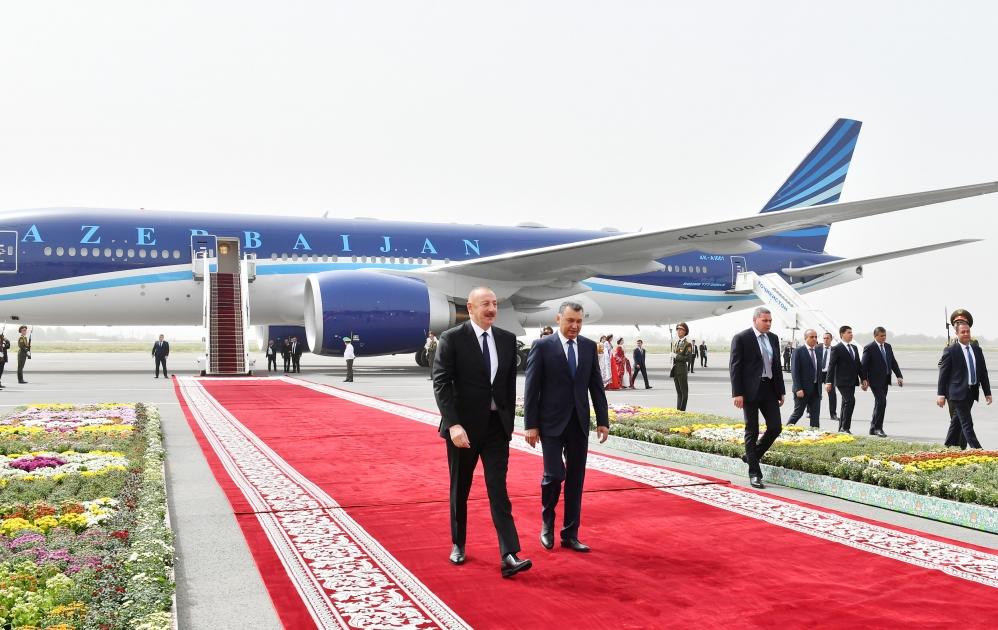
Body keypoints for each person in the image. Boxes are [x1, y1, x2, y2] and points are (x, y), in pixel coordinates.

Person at [432, 287, 531, 578]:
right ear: (470, 307)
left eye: (495, 303)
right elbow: (441, 383)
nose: (492, 309)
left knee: (498, 489)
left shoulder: (506, 339)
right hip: (462, 430)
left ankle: (509, 554)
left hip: (496, 429)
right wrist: (453, 424)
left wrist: (508, 424)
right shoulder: (452, 338)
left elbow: (508, 386)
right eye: (485, 303)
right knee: (460, 489)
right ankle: (458, 543)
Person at [523, 301, 609, 553]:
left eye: (579, 322)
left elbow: (596, 386)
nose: (575, 326)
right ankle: (547, 523)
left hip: (578, 423)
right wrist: (531, 425)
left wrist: (602, 420)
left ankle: (570, 533)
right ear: (558, 319)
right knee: (554, 475)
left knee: (575, 479)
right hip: (550, 423)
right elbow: (531, 388)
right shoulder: (542, 346)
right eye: (570, 320)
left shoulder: (588, 347)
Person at [729, 307, 785, 489]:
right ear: (755, 320)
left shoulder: (773, 338)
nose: (768, 324)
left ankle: (751, 456)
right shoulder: (741, 338)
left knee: (775, 427)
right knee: (752, 430)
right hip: (749, 391)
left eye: (770, 321)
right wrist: (737, 393)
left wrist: (780, 390)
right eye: (765, 321)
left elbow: (776, 366)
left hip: (769, 388)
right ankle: (754, 473)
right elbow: (735, 367)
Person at [937, 320, 992, 449]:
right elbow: (943, 374)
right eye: (963, 332)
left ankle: (946, 447)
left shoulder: (977, 350)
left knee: (956, 423)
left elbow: (983, 372)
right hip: (957, 392)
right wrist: (941, 394)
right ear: (957, 333)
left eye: (968, 331)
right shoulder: (950, 350)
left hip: (971, 392)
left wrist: (987, 392)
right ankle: (978, 451)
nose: (966, 334)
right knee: (967, 423)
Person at [941, 309, 977, 448]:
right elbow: (943, 365)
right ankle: (953, 446)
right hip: (952, 389)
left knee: (962, 419)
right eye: (956, 322)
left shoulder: (973, 343)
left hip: (966, 388)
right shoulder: (950, 343)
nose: (959, 323)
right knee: (955, 419)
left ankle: (959, 446)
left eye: (962, 321)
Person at [825, 325, 867, 434]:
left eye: (851, 332)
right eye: (849, 332)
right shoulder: (837, 348)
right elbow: (831, 366)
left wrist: (863, 378)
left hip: (852, 381)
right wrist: (828, 382)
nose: (851, 334)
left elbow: (858, 365)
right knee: (850, 401)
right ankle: (845, 428)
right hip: (842, 381)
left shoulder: (854, 348)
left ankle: (841, 428)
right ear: (842, 334)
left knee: (845, 403)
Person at [862, 326, 904, 437]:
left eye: (885, 335)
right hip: (874, 381)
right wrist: (863, 380)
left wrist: (899, 376)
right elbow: (864, 366)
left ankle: (872, 428)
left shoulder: (888, 346)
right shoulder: (869, 348)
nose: (884, 338)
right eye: (881, 336)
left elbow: (893, 362)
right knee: (882, 402)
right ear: (875, 336)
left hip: (885, 380)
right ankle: (878, 428)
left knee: (879, 403)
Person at [786, 329, 823, 428]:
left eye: (816, 337)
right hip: (802, 390)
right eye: (812, 337)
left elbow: (819, 370)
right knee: (798, 413)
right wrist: (798, 388)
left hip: (816, 390)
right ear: (805, 338)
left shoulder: (818, 351)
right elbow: (795, 371)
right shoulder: (798, 351)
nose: (814, 339)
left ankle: (815, 434)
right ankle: (785, 430)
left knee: (815, 415)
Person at [672, 323, 694, 410]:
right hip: (675, 370)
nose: (678, 331)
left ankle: (682, 411)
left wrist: (676, 356)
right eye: (678, 329)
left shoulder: (687, 344)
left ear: (685, 332)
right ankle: (678, 411)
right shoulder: (676, 343)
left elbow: (688, 358)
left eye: (681, 329)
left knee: (684, 393)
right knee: (678, 393)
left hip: (682, 371)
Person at [820, 332, 838, 423]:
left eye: (827, 338)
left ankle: (833, 414)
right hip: (818, 373)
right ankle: (809, 411)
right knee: (813, 393)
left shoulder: (835, 350)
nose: (825, 340)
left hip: (829, 374)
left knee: (832, 394)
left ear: (831, 339)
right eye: (824, 338)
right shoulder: (817, 348)